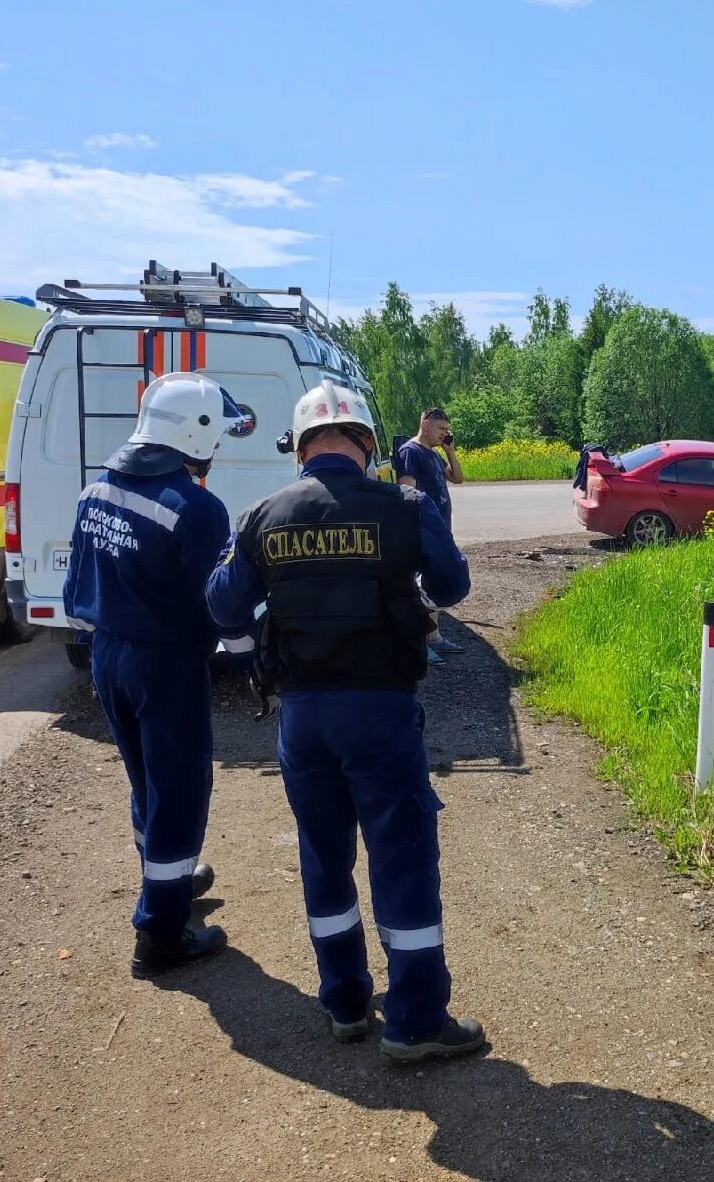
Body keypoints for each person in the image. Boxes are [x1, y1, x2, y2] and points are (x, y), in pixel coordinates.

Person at [205, 379, 483, 1061]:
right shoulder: (405, 506)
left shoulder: (263, 515)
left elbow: (222, 608)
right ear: (365, 442)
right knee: (403, 856)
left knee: (324, 855)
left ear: (301, 447)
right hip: (382, 712)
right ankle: (415, 1020)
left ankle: (346, 1002)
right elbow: (452, 587)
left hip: (303, 719)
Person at [64, 372, 245, 979]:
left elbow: (74, 590)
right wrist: (250, 658)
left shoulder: (95, 493)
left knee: (147, 781)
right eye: (216, 435)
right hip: (165, 664)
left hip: (107, 655)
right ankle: (162, 932)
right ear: (195, 434)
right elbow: (219, 603)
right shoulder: (196, 508)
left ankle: (165, 877)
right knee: (181, 792)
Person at [396, 407, 466, 664]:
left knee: (431, 585)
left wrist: (450, 451)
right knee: (416, 588)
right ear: (425, 425)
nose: (444, 434)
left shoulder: (435, 455)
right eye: (441, 429)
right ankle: (419, 643)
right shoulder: (409, 452)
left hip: (439, 529)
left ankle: (433, 637)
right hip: (421, 529)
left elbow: (458, 478)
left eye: (447, 430)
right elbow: (407, 491)